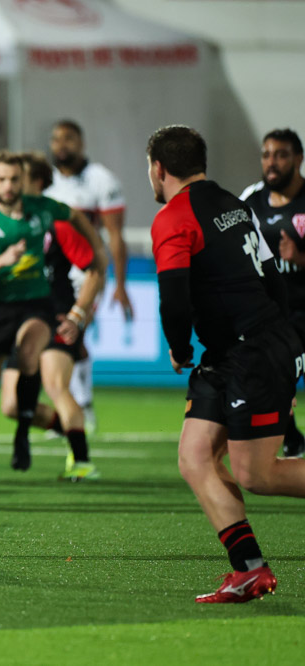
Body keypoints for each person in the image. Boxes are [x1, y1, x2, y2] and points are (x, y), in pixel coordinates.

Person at [147, 124, 305, 603]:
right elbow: (272, 274)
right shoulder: (235, 203)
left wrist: (178, 346)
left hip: (252, 352)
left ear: (159, 168)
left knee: (258, 475)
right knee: (195, 459)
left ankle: (250, 570)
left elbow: (173, 299)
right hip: (239, 350)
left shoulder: (174, 217)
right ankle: (249, 570)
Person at [0, 150, 102, 480]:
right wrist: (1, 260)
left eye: (15, 179)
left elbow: (80, 228)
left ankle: (45, 444)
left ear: (26, 182)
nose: (9, 186)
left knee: (37, 362)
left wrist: (97, 251)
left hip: (41, 308)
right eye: (3, 179)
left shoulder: (44, 212)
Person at [0, 152, 106, 481]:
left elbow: (94, 269)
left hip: (57, 316)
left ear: (38, 183)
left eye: (20, 177)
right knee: (12, 406)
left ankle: (83, 462)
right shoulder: (9, 221)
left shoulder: (57, 221)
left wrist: (77, 314)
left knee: (56, 385)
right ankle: (72, 432)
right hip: (23, 322)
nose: (13, 183)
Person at [46, 120, 129, 432]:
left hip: (87, 273)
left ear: (81, 143)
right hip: (54, 275)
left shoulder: (101, 180)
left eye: (68, 139)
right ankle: (78, 406)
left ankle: (79, 409)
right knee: (67, 339)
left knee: (72, 333)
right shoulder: (45, 181)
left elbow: (115, 236)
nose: (61, 145)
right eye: (56, 139)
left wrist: (121, 285)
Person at [239, 128, 305, 458]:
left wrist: (300, 259)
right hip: (274, 315)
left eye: (280, 155)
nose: (272, 163)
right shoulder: (250, 200)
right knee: (271, 378)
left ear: (299, 159)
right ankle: (292, 439)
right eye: (267, 155)